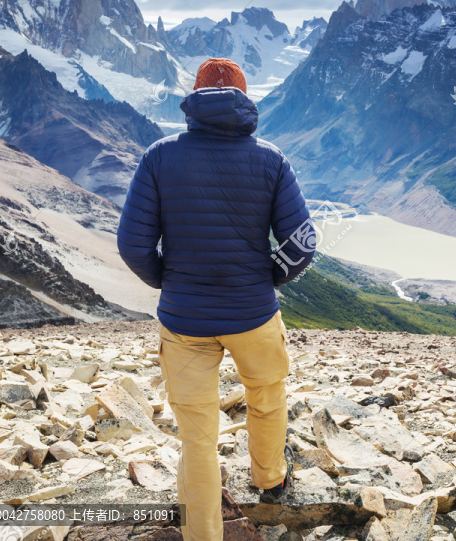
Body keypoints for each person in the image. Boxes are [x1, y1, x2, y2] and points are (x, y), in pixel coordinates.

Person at [117, 58, 315, 541]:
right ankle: (270, 481)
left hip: (184, 321)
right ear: (245, 101)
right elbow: (303, 242)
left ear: (194, 99)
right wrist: (267, 278)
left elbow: (131, 244)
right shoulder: (271, 159)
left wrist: (169, 280)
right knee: (266, 399)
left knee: (198, 437)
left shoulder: (160, 156)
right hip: (254, 315)